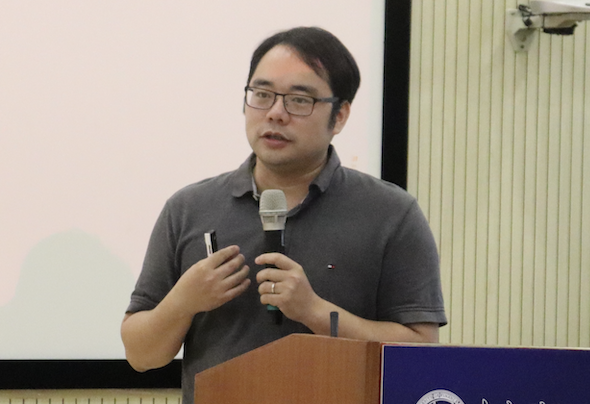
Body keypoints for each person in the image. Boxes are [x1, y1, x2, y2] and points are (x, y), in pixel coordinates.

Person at [121, 26, 446, 403]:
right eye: (262, 95)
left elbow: (421, 353)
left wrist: (315, 312)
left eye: (298, 100)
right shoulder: (188, 208)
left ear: (340, 116)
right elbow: (141, 355)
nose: (276, 114)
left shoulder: (392, 214)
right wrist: (184, 301)